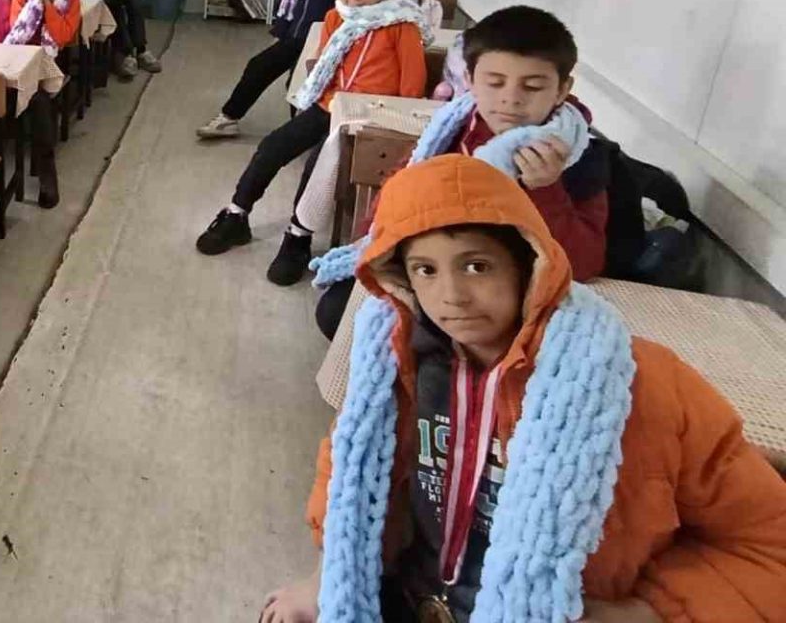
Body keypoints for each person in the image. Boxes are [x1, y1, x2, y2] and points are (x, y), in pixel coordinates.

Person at [261, 155, 786, 623]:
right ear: (401, 279)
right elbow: (348, 480)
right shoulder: (394, 369)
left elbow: (766, 540)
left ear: (529, 265)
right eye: (425, 269)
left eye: (477, 265)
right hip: (403, 597)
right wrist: (324, 579)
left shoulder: (643, 386)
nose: (452, 295)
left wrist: (650, 611)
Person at [307, 5, 611, 336]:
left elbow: (583, 264)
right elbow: (399, 189)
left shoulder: (578, 156)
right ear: (469, 80)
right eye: (495, 82)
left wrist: (545, 189)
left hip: (508, 290)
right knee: (336, 310)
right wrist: (375, 242)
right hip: (435, 265)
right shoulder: (450, 131)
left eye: (533, 87)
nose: (511, 99)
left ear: (562, 90)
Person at [195, 0, 428, 285]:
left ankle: (298, 236)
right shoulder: (335, 17)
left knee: (317, 165)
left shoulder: (401, 25)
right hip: (329, 106)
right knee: (272, 147)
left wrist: (381, 123)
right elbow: (323, 65)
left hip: (368, 117)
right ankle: (236, 215)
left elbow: (411, 87)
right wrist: (321, 96)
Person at [198, 0, 368, 139]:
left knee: (298, 84)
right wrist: (282, 30)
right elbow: (295, 1)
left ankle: (299, 136)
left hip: (323, 39)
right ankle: (230, 119)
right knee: (261, 67)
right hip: (296, 35)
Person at [5, 0, 82, 209]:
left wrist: (45, 4)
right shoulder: (19, 0)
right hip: (23, 63)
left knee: (39, 103)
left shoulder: (71, 0)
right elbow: (17, 36)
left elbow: (62, 36)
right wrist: (30, 5)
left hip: (51, 65)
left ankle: (47, 176)